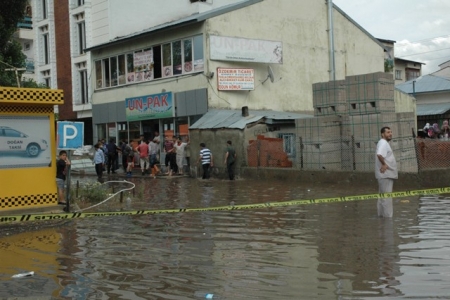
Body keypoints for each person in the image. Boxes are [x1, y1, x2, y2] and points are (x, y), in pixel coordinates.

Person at [375, 127, 398, 218]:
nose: (390, 134)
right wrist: (384, 164)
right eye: (388, 132)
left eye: (391, 132)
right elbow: (379, 154)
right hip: (386, 174)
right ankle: (388, 219)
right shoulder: (383, 143)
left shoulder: (382, 143)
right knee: (387, 198)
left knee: (382, 197)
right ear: (382, 134)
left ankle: (381, 217)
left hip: (383, 175)